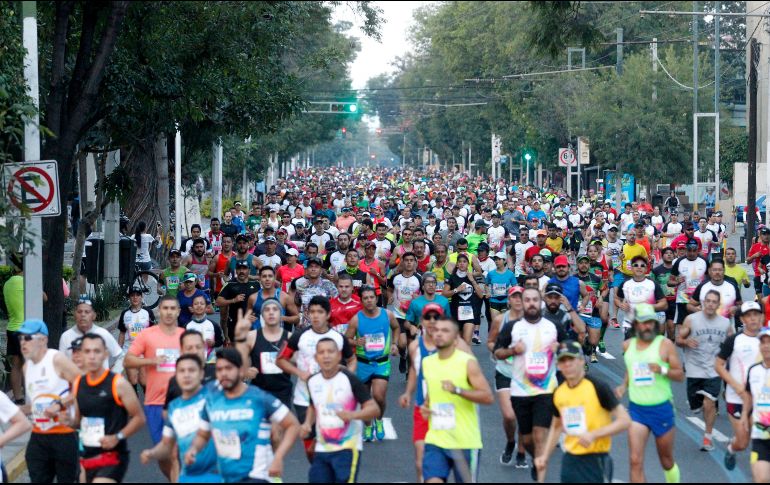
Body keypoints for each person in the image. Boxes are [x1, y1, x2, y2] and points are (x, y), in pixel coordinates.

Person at [183, 348, 300, 483]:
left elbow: (293, 425)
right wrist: (193, 450)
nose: (224, 373)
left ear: (240, 370)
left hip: (257, 475)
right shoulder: (212, 401)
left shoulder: (259, 398)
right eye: (219, 369)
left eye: (228, 368)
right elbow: (203, 435)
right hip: (227, 476)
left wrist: (278, 457)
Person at [494, 288, 569, 479]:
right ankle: (536, 458)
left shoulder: (553, 326)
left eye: (535, 299)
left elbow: (569, 349)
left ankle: (540, 469)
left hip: (546, 390)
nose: (531, 303)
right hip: (520, 390)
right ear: (523, 303)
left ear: (540, 301)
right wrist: (513, 351)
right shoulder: (512, 327)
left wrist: (560, 348)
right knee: (527, 439)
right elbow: (497, 352)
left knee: (539, 434)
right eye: (527, 300)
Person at [534, 341, 631, 483]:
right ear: (558, 365)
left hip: (596, 459)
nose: (567, 365)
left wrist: (593, 434)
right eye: (563, 361)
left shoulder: (598, 387)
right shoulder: (559, 393)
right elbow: (556, 426)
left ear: (581, 361)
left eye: (571, 359)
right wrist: (544, 456)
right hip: (570, 460)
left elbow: (624, 421)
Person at [277, 296, 356, 461]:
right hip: (304, 399)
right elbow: (281, 360)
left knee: (328, 441)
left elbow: (351, 360)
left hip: (331, 399)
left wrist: (348, 378)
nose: (315, 316)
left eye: (320, 312)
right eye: (312, 312)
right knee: (310, 445)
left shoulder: (338, 338)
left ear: (328, 315)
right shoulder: (299, 336)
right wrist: (299, 373)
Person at [615, 303, 684, 483]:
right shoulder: (627, 345)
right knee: (635, 460)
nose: (647, 327)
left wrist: (661, 369)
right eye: (643, 323)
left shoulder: (665, 345)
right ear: (635, 324)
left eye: (650, 323)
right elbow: (631, 367)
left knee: (666, 461)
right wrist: (623, 386)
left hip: (661, 408)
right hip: (637, 410)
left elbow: (679, 375)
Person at [420, 317, 494, 483]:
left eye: (445, 331)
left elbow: (487, 396)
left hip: (465, 442)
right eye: (436, 330)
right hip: (436, 439)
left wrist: (458, 391)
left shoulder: (467, 363)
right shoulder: (428, 363)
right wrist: (426, 407)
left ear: (455, 338)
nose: (439, 334)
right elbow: (432, 394)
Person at [68, 333, 146, 483]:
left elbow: (139, 418)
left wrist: (118, 437)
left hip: (112, 456)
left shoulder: (118, 383)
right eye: (87, 351)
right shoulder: (78, 384)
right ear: (81, 355)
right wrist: (66, 420)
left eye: (96, 351)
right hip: (87, 455)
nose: (92, 356)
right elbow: (78, 421)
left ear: (105, 354)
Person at [123, 295, 185, 479]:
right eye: (165, 308)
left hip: (181, 401)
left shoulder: (185, 336)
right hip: (155, 401)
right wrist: (150, 361)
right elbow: (128, 360)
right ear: (159, 311)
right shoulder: (147, 335)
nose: (169, 312)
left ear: (178, 311)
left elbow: (198, 363)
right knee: (163, 455)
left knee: (175, 453)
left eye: (172, 308)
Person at [20, 319, 82, 483]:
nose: (23, 342)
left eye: (28, 338)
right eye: (20, 338)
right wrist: (19, 410)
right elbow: (38, 402)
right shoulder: (26, 368)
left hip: (63, 434)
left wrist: (61, 404)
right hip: (38, 435)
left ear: (43, 340)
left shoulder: (57, 359)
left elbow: (85, 385)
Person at [142, 353, 219, 482]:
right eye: (182, 371)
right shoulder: (174, 407)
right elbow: (166, 444)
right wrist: (151, 453)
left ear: (201, 374)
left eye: (191, 370)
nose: (186, 375)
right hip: (188, 476)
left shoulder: (214, 398)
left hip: (217, 474)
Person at [677, 290, 732, 452]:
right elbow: (678, 339)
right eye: (708, 301)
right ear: (703, 302)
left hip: (714, 369)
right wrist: (686, 342)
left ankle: (708, 437)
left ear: (718, 305)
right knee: (696, 407)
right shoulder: (691, 320)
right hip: (694, 368)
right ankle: (696, 404)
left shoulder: (725, 323)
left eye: (714, 302)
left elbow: (731, 345)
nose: (710, 304)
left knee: (710, 402)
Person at [345, 286, 400, 442]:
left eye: (371, 297)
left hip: (381, 362)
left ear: (376, 298)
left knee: (378, 396)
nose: (369, 300)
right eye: (365, 298)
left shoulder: (387, 314)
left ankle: (379, 419)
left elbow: (396, 328)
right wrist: (356, 342)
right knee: (365, 399)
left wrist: (394, 344)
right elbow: (346, 339)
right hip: (363, 363)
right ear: (361, 301)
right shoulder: (356, 319)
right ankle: (368, 426)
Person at [717, 301, 763, 470]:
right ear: (742, 319)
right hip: (736, 397)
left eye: (756, 315)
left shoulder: (765, 339)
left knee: (761, 437)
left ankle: (760, 469)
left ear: (761, 317)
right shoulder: (734, 340)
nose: (753, 319)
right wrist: (735, 386)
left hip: (760, 398)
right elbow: (718, 365)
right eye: (749, 315)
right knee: (743, 442)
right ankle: (732, 448)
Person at [488, 287, 528, 468]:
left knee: (523, 416)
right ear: (509, 300)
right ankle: (511, 441)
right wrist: (499, 351)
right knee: (510, 415)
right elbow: (490, 342)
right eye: (514, 297)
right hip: (505, 371)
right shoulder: (500, 320)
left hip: (526, 375)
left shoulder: (532, 320)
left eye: (521, 297)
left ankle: (521, 452)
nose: (518, 300)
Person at [234, 301, 293, 408]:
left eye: (275, 309)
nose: (271, 312)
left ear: (281, 314)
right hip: (259, 391)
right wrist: (240, 338)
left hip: (283, 392)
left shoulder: (290, 337)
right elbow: (239, 362)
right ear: (262, 315)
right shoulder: (251, 336)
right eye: (267, 310)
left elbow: (299, 363)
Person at [60, 299, 123, 370]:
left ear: (94, 315)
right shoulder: (65, 336)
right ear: (74, 315)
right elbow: (61, 364)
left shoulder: (103, 334)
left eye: (87, 312)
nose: (83, 315)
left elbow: (121, 356)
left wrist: (113, 373)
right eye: (79, 312)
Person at [616, 255, 668, 338]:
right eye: (636, 265)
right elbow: (617, 299)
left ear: (646, 269)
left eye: (642, 265)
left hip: (647, 326)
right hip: (630, 324)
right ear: (631, 268)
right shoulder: (625, 284)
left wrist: (648, 307)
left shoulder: (652, 284)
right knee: (630, 346)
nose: (639, 267)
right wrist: (621, 304)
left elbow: (664, 304)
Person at [117, 288, 156, 387]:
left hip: (144, 350)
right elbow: (122, 333)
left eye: (137, 295)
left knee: (143, 381)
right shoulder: (125, 313)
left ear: (141, 297)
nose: (135, 298)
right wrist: (119, 350)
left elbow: (154, 332)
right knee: (132, 379)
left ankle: (147, 396)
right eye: (132, 295)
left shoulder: (148, 312)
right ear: (129, 298)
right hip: (129, 349)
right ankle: (134, 396)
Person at [443, 253, 484, 344]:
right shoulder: (452, 278)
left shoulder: (471, 277)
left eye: (464, 262)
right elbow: (444, 294)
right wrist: (456, 290)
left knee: (467, 341)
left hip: (469, 313)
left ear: (468, 264)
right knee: (459, 342)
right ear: (457, 264)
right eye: (460, 262)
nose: (462, 263)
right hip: (456, 312)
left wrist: (472, 280)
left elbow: (481, 295)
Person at [216, 261, 260, 343]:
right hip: (235, 323)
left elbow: (264, 300)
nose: (242, 271)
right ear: (236, 271)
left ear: (249, 270)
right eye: (239, 269)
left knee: (253, 348)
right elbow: (218, 302)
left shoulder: (256, 284)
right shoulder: (230, 284)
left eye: (244, 269)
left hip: (252, 323)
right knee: (236, 348)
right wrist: (233, 300)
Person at [669, 239, 708, 330]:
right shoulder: (679, 262)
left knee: (698, 329)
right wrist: (677, 282)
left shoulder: (704, 261)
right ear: (686, 249)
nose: (692, 253)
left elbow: (710, 279)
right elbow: (669, 282)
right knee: (682, 329)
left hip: (698, 300)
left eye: (694, 250)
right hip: (683, 299)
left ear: (698, 250)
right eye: (689, 250)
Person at [290, 257, 339, 329]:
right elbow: (297, 304)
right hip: (305, 327)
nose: (313, 269)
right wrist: (299, 320)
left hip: (324, 327)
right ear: (307, 270)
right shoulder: (300, 285)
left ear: (321, 270)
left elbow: (337, 303)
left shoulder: (328, 285)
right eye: (311, 267)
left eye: (316, 267)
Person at [3, 257, 27, 403]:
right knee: (30, 363)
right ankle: (30, 396)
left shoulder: (7, 284)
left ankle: (18, 398)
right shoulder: (24, 282)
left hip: (11, 328)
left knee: (16, 365)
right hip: (24, 330)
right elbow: (44, 298)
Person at [247, 265, 299, 330]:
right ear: (260, 278)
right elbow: (247, 317)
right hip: (258, 335)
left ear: (274, 278)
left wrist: (282, 318)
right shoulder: (253, 298)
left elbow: (297, 318)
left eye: (270, 276)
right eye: (264, 276)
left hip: (278, 335)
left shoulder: (284, 297)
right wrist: (248, 318)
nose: (267, 279)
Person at [747, 227, 770, 298]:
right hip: (759, 275)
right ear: (760, 235)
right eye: (764, 234)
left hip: (769, 276)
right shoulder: (755, 246)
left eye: (768, 234)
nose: (766, 236)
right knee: (760, 298)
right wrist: (754, 256)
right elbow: (748, 261)